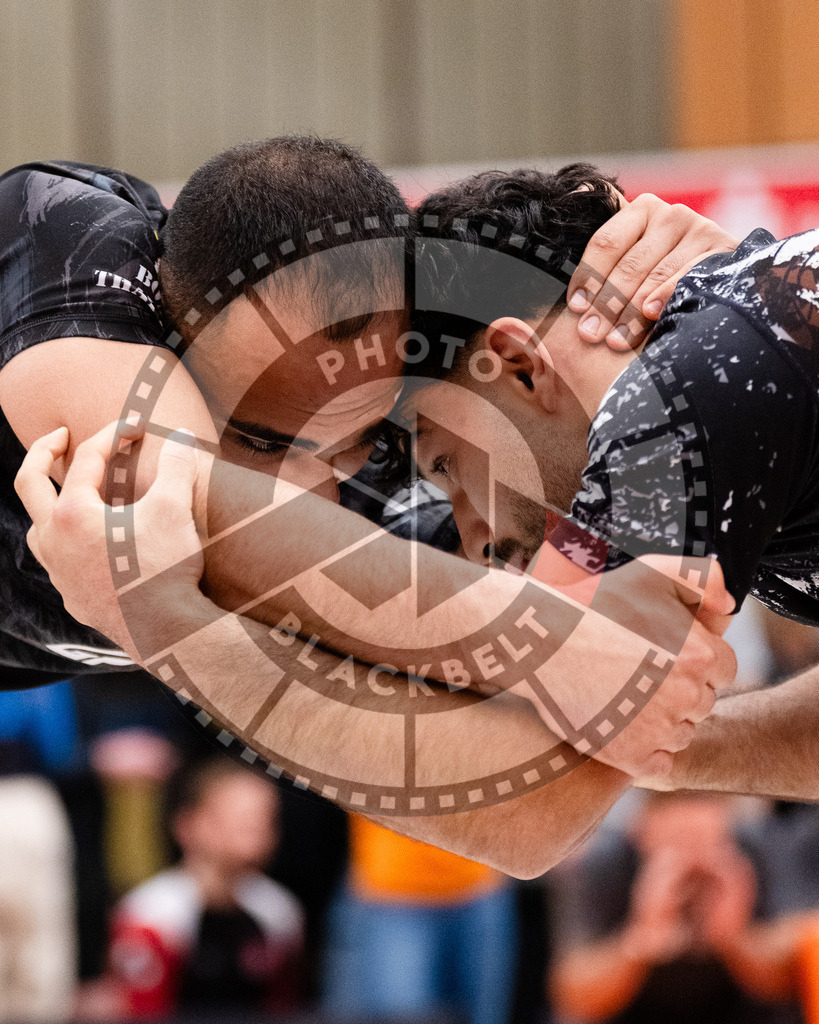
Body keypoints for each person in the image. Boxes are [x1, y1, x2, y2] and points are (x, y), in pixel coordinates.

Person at [5, 142, 737, 876]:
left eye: (349, 441)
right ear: (166, 332)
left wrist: (698, 312)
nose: (305, 489)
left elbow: (536, 819)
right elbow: (173, 505)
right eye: (258, 441)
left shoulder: (414, 478)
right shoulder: (63, 234)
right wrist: (555, 638)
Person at [352, 162, 819, 803]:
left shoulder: (677, 395)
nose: (473, 536)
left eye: (445, 466)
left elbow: (532, 806)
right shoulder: (731, 350)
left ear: (517, 365)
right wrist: (661, 746)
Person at [549, 792, 796, 1024]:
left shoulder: (752, 852)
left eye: (703, 840)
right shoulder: (607, 861)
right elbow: (571, 995)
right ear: (639, 830)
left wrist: (734, 935)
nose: (689, 858)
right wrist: (642, 938)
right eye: (674, 844)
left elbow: (794, 978)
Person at [106, 757, 304, 1018]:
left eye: (266, 819)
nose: (257, 831)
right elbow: (142, 1012)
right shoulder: (149, 917)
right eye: (241, 819)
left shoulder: (279, 913)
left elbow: (283, 1008)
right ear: (187, 825)